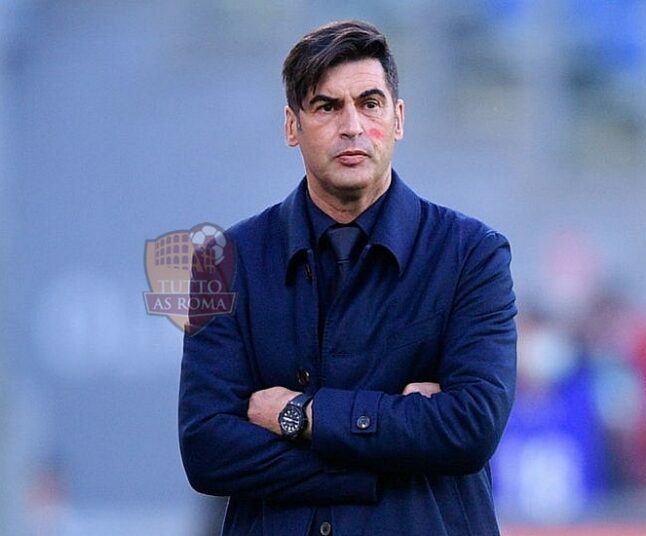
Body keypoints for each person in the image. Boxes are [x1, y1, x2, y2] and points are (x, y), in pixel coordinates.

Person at [179, 20, 517, 536]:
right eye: (327, 106)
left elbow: (471, 428)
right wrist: (388, 453)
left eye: (370, 103)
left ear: (398, 119)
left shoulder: (473, 255)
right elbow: (207, 450)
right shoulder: (222, 261)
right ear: (291, 126)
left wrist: (300, 416)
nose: (353, 126)